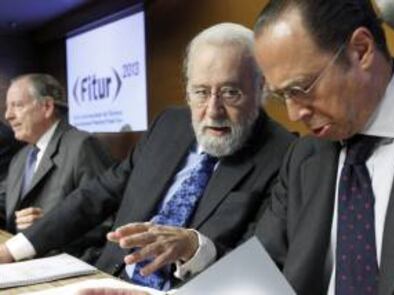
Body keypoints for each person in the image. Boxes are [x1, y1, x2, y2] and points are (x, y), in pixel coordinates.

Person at [0, 23, 295, 291]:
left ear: (261, 88)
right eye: (201, 92)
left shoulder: (285, 154)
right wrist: (14, 250)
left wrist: (195, 248)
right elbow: (96, 194)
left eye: (231, 93)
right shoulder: (168, 124)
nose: (213, 110)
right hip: (105, 280)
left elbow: (262, 264)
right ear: (187, 91)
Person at [252, 0, 394, 294]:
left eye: (300, 89)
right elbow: (262, 267)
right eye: (282, 95)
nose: (293, 114)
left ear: (361, 49)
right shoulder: (303, 157)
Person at [0, 74, 114, 259]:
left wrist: (49, 227)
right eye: (7, 107)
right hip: (21, 258)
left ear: (47, 107)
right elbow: (3, 204)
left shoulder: (82, 146)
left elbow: (107, 221)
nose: (8, 115)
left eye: (18, 105)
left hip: (66, 260)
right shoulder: (20, 157)